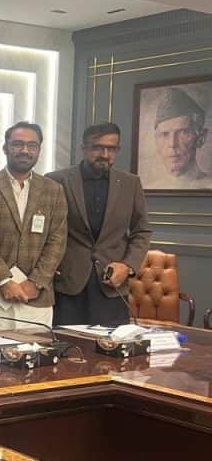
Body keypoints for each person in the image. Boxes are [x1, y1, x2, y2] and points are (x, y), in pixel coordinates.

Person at [48, 122, 150, 326]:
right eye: (97, 147)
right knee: (67, 342)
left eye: (111, 149)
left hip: (112, 284)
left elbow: (142, 230)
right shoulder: (57, 180)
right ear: (84, 148)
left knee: (111, 344)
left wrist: (127, 266)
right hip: (67, 284)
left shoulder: (130, 183)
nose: (105, 154)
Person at [0, 122, 67, 330]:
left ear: (39, 150)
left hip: (36, 298)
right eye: (17, 144)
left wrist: (36, 282)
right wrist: (3, 280)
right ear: (5, 148)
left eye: (32, 145)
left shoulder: (54, 190)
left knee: (37, 351)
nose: (25, 150)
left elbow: (57, 240)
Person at [152, 87, 209, 189]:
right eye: (165, 134)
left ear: (201, 138)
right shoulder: (148, 188)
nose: (172, 144)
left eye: (183, 133)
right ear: (156, 141)